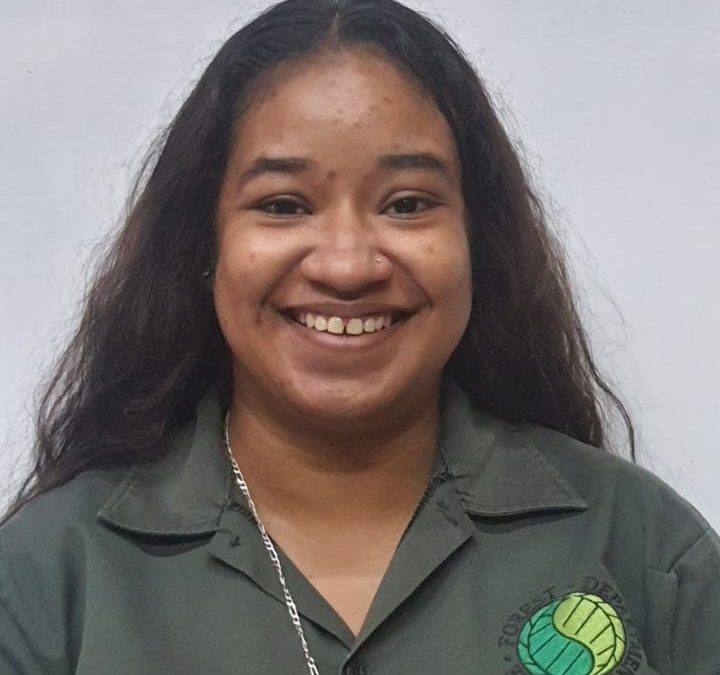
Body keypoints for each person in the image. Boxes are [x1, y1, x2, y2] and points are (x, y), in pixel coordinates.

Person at [1, 0, 718, 673]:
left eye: (406, 204)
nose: (346, 265)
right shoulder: (48, 578)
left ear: (478, 242)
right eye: (284, 205)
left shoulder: (644, 549)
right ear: (203, 244)